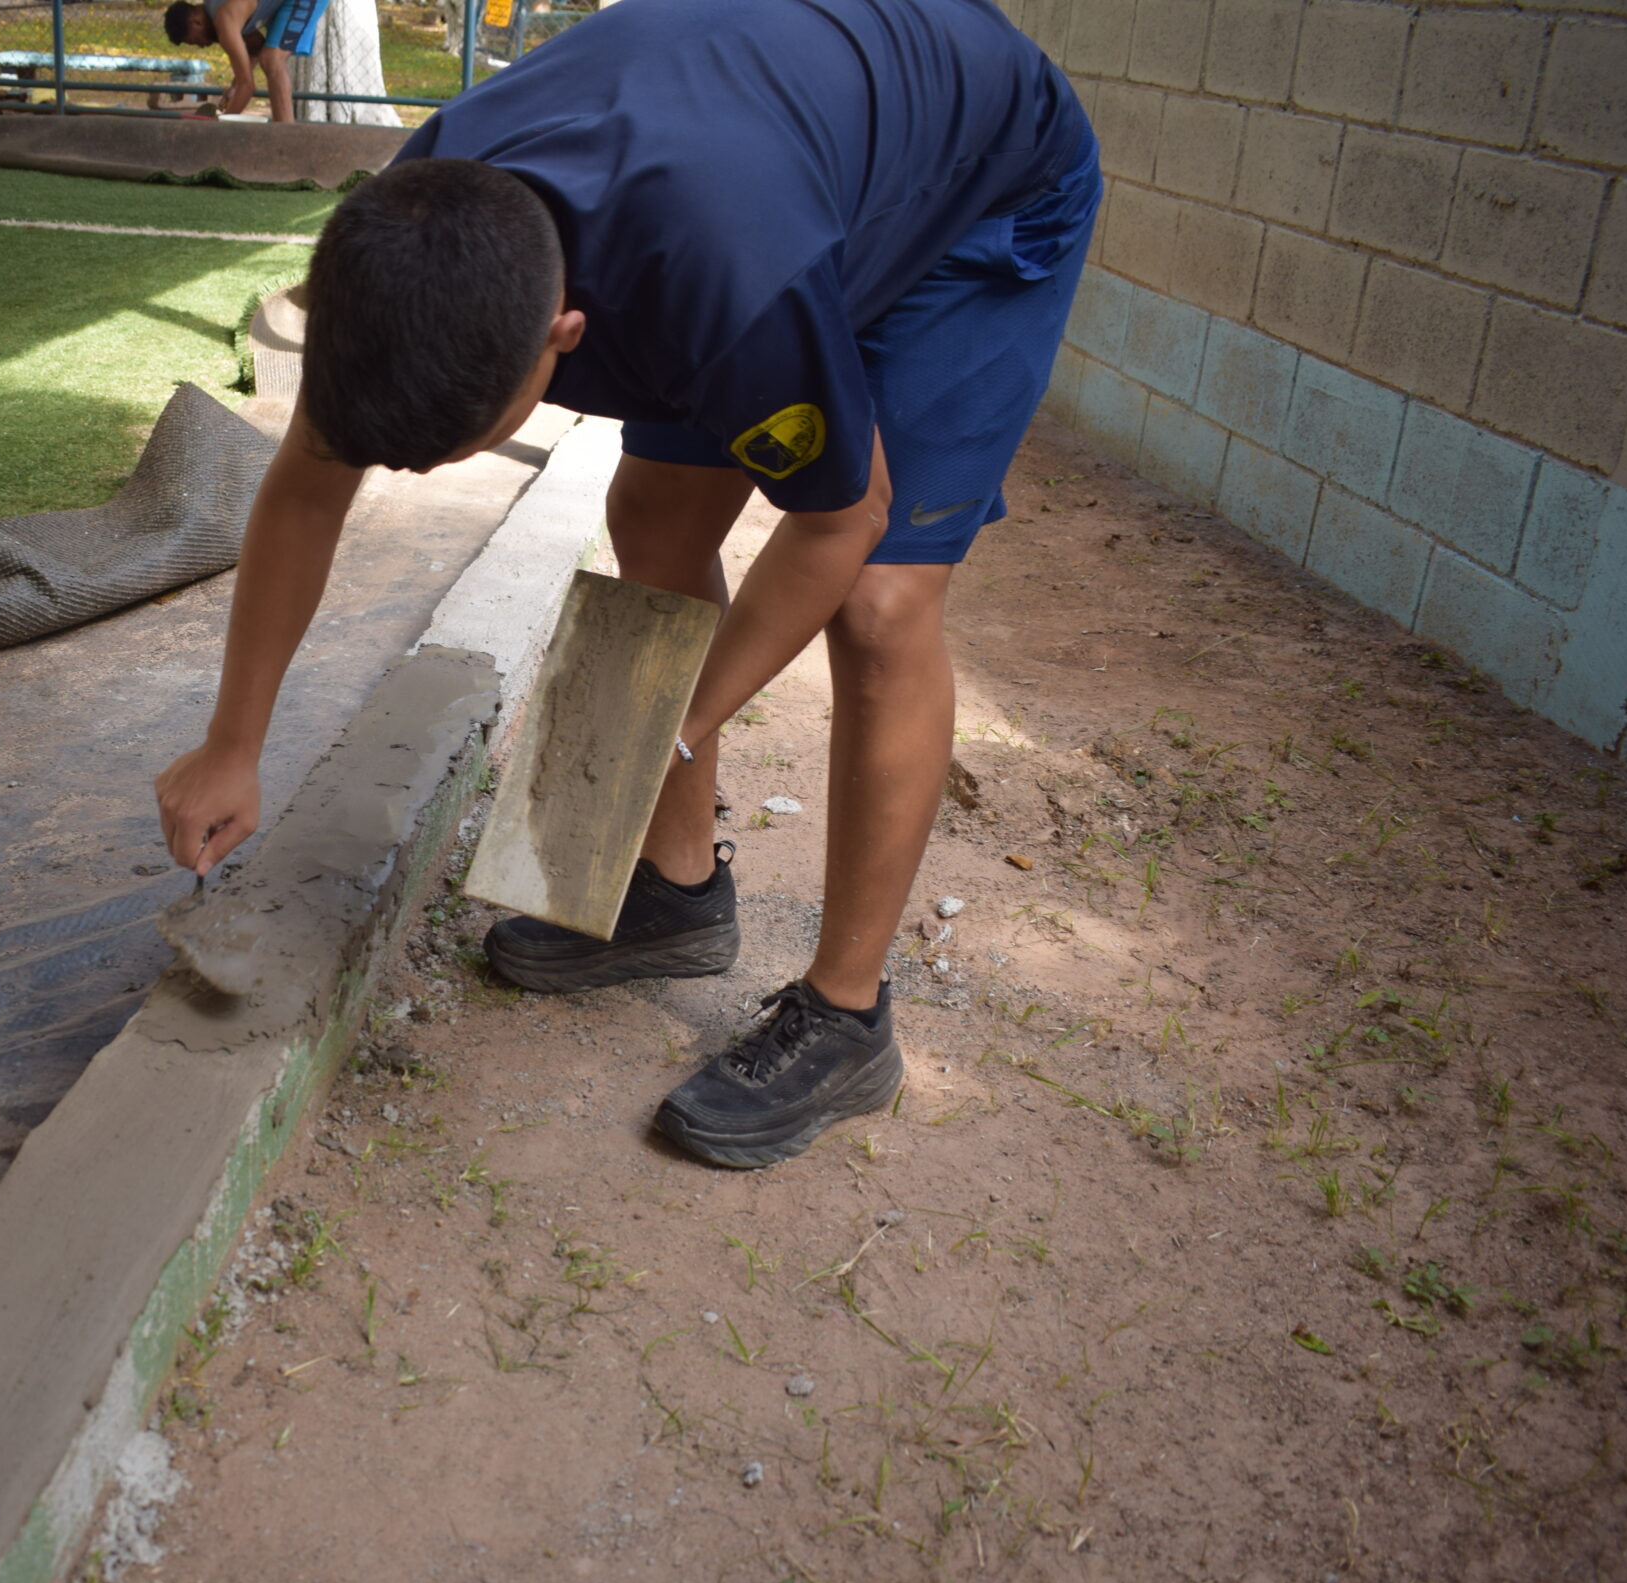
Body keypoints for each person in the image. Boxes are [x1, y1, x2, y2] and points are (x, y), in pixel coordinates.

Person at [155, 0, 1098, 1169]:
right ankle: (673, 895)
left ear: (565, 335)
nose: (413, 466)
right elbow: (306, 490)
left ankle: (848, 1019)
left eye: (450, 449)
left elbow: (840, 519)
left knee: (879, 602)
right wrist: (232, 743)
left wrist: (673, 726)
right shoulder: (406, 236)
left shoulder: (725, 283)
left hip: (980, 187)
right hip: (784, 166)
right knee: (651, 513)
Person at [162, 0, 332, 124]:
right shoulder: (224, 10)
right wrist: (234, 87)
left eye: (195, 41)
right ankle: (283, 133)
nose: (201, 46)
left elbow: (248, 86)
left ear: (196, 22)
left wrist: (219, 126)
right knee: (268, 58)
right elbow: (255, 48)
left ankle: (286, 139)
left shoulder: (224, 19)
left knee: (272, 60)